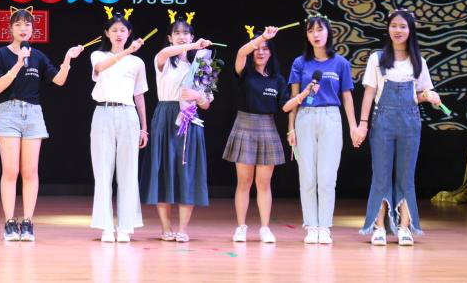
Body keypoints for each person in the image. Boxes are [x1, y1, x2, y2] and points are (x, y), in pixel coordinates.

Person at [0, 7, 83, 242]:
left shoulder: (38, 56)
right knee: (11, 171)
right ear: (10, 29)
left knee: (30, 171)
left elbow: (59, 80)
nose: (23, 28)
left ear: (33, 29)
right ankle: (10, 222)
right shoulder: (0, 54)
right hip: (9, 112)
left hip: (33, 113)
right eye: (18, 24)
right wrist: (18, 63)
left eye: (27, 25)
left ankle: (28, 221)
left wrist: (68, 59)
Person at [354, 9, 440, 246]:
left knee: (406, 175)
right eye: (394, 26)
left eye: (403, 26)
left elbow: (420, 94)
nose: (398, 30)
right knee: (381, 175)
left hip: (410, 123)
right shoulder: (377, 58)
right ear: (388, 29)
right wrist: (362, 124)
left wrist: (429, 96)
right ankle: (379, 227)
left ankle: (404, 227)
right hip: (382, 122)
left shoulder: (419, 62)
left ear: (410, 30)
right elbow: (369, 93)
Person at [283, 15, 359, 245]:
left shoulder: (340, 63)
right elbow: (293, 98)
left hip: (331, 117)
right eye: (310, 31)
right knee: (307, 176)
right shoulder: (300, 63)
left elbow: (347, 96)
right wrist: (290, 128)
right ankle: (311, 226)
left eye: (320, 29)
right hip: (305, 117)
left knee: (327, 177)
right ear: (306, 35)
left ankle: (324, 226)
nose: (315, 34)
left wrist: (353, 126)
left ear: (329, 32)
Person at [145, 14, 214, 243]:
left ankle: (183, 229)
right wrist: (194, 46)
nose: (182, 36)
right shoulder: (163, 59)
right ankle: (166, 227)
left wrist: (198, 97)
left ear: (192, 36)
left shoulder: (202, 64)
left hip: (189, 118)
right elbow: (165, 52)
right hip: (165, 116)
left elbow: (206, 103)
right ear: (170, 37)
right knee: (163, 170)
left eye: (186, 33)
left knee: (187, 171)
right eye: (177, 33)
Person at [223, 26, 290, 243]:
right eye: (257, 49)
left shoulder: (278, 79)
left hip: (267, 129)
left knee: (264, 183)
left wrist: (303, 96)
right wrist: (262, 38)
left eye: (265, 48)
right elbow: (240, 52)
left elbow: (285, 105)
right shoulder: (244, 72)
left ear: (271, 53)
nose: (260, 52)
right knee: (244, 182)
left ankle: (265, 228)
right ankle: (241, 227)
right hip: (244, 126)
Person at [88, 12, 147, 243]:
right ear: (107, 33)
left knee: (128, 171)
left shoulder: (137, 62)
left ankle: (126, 226)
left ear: (129, 33)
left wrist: (144, 127)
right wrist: (127, 51)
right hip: (103, 112)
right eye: (114, 30)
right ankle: (106, 227)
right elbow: (101, 68)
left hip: (128, 114)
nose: (119, 34)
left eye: (123, 30)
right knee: (102, 171)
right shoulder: (98, 55)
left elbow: (139, 95)